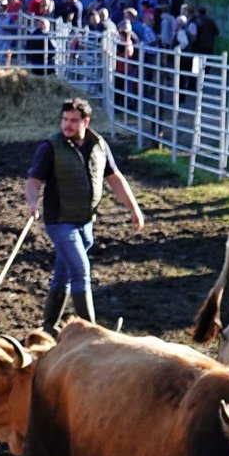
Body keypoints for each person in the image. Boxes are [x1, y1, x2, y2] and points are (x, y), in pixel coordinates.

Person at [23, 97, 146, 330]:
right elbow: (33, 181)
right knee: (80, 271)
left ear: (86, 122)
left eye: (73, 120)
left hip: (86, 222)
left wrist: (134, 208)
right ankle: (92, 332)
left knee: (63, 274)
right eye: (64, 119)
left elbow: (115, 178)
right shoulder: (50, 147)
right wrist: (32, 202)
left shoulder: (99, 145)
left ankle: (48, 327)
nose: (67, 125)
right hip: (60, 222)